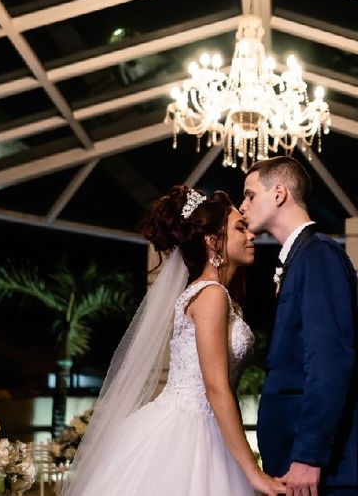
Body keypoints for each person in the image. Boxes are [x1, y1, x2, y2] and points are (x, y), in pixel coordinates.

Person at [62, 186, 285, 496]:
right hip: (188, 433)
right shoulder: (211, 295)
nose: (251, 236)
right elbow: (216, 387)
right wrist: (252, 472)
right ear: (213, 241)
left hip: (209, 430)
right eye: (240, 228)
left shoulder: (218, 296)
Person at [240, 157, 358, 496]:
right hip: (301, 462)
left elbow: (329, 361)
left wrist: (309, 456)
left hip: (324, 468)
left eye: (249, 195)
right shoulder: (302, 259)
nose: (242, 206)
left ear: (278, 193)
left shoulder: (318, 255)